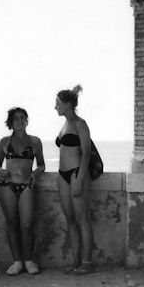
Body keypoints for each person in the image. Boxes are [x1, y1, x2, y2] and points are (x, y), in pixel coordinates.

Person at [0, 107, 45, 275]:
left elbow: (42, 165)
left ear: (26, 120)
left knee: (27, 224)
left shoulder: (35, 142)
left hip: (26, 186)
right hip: (7, 185)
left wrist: (34, 174)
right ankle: (17, 261)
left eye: (23, 118)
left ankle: (29, 260)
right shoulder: (4, 142)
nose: (20, 121)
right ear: (11, 122)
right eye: (16, 118)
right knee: (12, 223)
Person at [54, 85, 95, 274]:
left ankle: (87, 262)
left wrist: (79, 178)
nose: (55, 107)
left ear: (68, 105)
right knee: (70, 219)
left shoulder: (80, 124)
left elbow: (86, 153)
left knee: (82, 218)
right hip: (63, 175)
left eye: (58, 103)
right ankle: (76, 261)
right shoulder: (64, 125)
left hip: (77, 173)